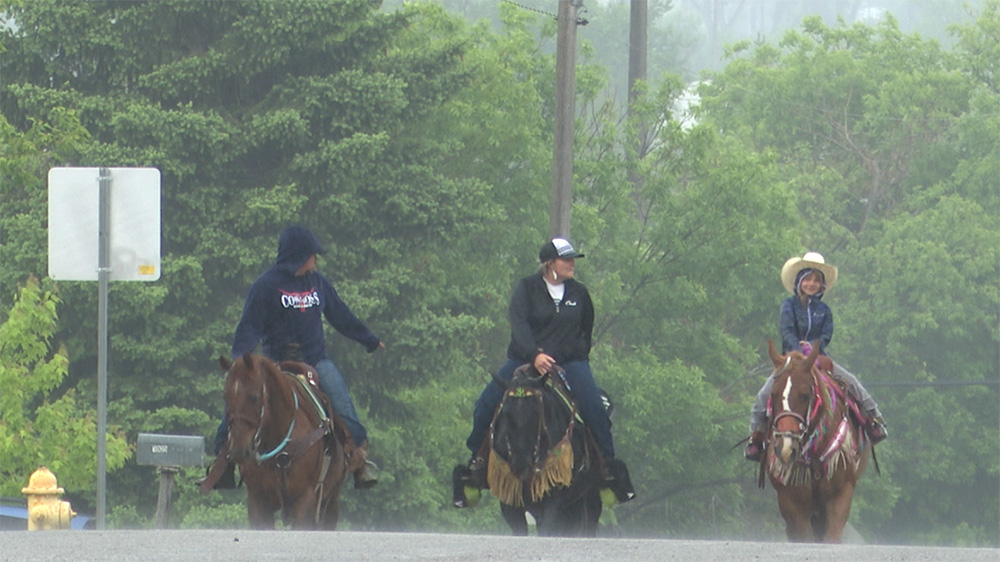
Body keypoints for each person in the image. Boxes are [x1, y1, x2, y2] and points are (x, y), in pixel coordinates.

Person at [455, 238, 635, 506]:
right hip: (523, 359)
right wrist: (534, 355)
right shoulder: (526, 289)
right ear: (550, 264)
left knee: (594, 407)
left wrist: (566, 356)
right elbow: (518, 325)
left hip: (569, 363)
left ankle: (606, 467)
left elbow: (586, 331)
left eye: (573, 259)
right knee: (486, 403)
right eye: (567, 260)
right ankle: (476, 463)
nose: (572, 264)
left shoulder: (579, 293)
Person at [211, 225, 383, 488]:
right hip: (275, 364)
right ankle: (223, 462)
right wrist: (241, 362)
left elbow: (340, 315)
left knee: (345, 409)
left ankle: (357, 461)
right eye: (313, 255)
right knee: (240, 404)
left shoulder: (318, 283)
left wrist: (369, 339)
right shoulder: (266, 285)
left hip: (316, 360)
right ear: (299, 255)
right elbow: (249, 326)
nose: (315, 261)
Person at [745, 252, 888, 462]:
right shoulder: (789, 305)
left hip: (819, 357)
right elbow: (786, 331)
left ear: (821, 286)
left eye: (816, 280)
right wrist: (798, 350)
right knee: (764, 395)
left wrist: (812, 349)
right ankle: (756, 438)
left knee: (852, 382)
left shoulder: (825, 310)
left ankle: (873, 420)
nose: (811, 284)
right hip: (791, 361)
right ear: (799, 282)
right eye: (808, 279)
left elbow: (826, 334)